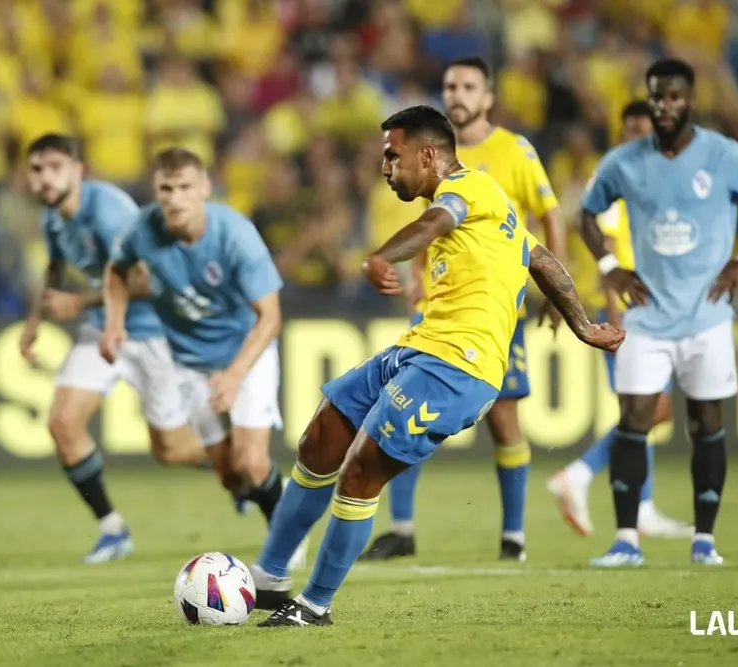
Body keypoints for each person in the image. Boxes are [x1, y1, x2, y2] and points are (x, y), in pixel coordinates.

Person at [249, 106, 625, 627]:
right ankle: (268, 577)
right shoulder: (490, 205)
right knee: (321, 435)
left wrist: (381, 257)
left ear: (428, 155)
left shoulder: (466, 190)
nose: (385, 168)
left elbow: (435, 222)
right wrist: (581, 324)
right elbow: (540, 259)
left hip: (459, 368)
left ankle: (314, 606)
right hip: (420, 348)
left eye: (392, 156)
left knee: (360, 470)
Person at [579, 60, 738, 567]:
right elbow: (585, 214)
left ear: (690, 99)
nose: (665, 106)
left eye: (674, 97)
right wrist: (611, 267)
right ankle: (626, 541)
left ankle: (705, 542)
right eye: (657, 96)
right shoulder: (624, 161)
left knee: (705, 424)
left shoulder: (723, 155)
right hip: (647, 317)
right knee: (633, 420)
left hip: (707, 316)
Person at [361, 57, 567, 563]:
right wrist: (415, 277)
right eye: (450, 85)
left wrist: (555, 289)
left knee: (504, 417)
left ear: (488, 96)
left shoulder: (514, 150)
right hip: (439, 300)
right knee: (402, 405)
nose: (457, 93)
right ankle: (402, 528)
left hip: (495, 305)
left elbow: (549, 216)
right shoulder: (426, 149)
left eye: (469, 86)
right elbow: (428, 224)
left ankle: (513, 536)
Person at [101, 147, 307, 570]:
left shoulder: (236, 236)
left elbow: (270, 318)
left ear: (205, 188)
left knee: (252, 461)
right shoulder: (143, 229)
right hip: (190, 361)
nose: (175, 198)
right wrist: (114, 321)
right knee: (229, 474)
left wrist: (233, 375)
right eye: (166, 189)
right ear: (156, 191)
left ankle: (285, 537)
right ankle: (264, 489)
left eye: (184, 187)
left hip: (246, 352)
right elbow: (117, 270)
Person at [20, 134, 214, 564]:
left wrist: (79, 302)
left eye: (54, 167)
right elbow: (55, 266)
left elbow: (146, 279)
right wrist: (34, 324)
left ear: (78, 170)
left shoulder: (108, 211)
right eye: (36, 169)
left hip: (153, 332)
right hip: (103, 329)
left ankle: (248, 473)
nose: (45, 178)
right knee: (63, 422)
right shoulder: (53, 216)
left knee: (172, 450)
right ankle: (112, 530)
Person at [547, 101, 692, 539]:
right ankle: (579, 474)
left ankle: (641, 507)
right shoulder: (615, 178)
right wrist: (615, 320)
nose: (640, 138)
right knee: (650, 408)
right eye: (632, 130)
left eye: (646, 130)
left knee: (645, 410)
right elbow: (606, 250)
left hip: (650, 309)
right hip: (623, 312)